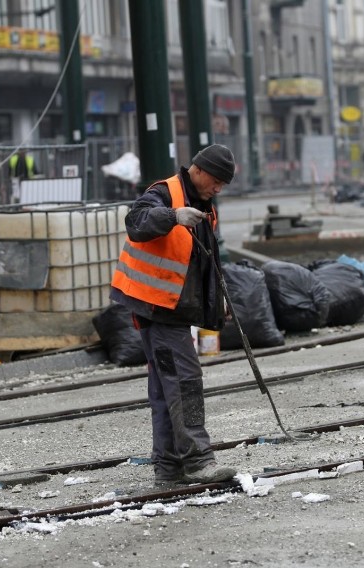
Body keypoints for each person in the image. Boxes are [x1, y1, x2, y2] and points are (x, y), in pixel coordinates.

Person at [110, 144, 238, 488]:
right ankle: (198, 460)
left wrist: (217, 304)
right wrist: (172, 216)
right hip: (157, 307)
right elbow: (136, 222)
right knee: (185, 381)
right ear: (199, 170)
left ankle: (168, 469)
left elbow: (202, 263)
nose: (219, 189)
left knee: (166, 389)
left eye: (224, 184)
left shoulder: (204, 205)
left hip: (170, 308)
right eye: (217, 181)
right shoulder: (164, 193)